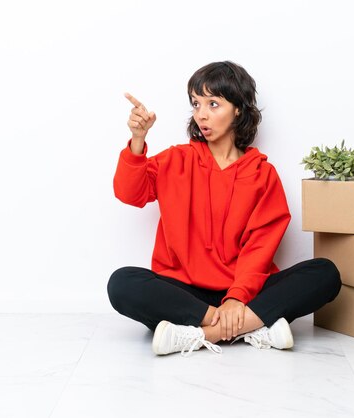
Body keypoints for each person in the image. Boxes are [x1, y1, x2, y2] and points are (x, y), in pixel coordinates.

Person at [107, 61, 341, 357]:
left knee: (325, 273)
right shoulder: (175, 160)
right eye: (196, 103)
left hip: (246, 291)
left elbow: (260, 248)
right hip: (186, 292)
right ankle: (254, 326)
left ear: (238, 110)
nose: (201, 114)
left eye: (213, 104)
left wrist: (236, 298)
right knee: (122, 283)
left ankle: (199, 335)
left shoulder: (261, 173)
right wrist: (138, 140)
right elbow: (130, 193)